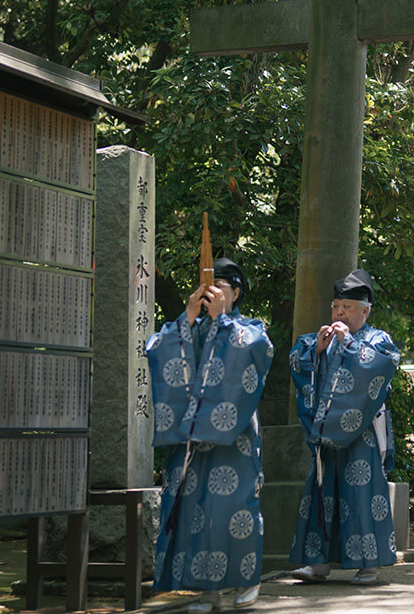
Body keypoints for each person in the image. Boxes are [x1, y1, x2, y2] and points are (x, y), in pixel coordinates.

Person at [147, 259, 274, 612]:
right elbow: (158, 348)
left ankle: (246, 579)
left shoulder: (249, 329)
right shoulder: (189, 327)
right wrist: (188, 316)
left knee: (234, 508)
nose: (212, 293)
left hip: (234, 437)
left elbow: (254, 354)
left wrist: (222, 320)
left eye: (221, 287)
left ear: (235, 293)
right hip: (190, 439)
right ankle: (206, 589)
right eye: (207, 286)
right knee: (194, 511)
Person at [289, 269, 401, 585]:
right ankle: (317, 562)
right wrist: (317, 351)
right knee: (322, 493)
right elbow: (298, 360)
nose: (340, 313)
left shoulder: (377, 340)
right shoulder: (319, 339)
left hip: (361, 433)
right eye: (337, 306)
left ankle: (368, 564)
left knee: (361, 494)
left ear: (365, 310)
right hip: (326, 432)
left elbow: (382, 365)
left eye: (348, 307)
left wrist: (349, 344)